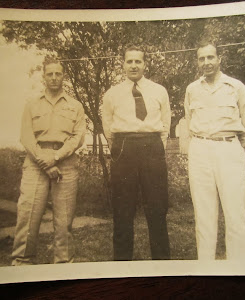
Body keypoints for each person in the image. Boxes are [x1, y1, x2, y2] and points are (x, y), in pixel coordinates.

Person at [184, 41, 245, 260]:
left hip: (228, 149)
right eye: (201, 58)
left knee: (235, 212)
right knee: (204, 214)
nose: (206, 62)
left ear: (219, 59)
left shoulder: (236, 87)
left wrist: (236, 149)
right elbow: (189, 121)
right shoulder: (192, 89)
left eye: (210, 57)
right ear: (197, 62)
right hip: (200, 149)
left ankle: (240, 269)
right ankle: (206, 267)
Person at [11, 57, 86, 265]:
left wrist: (55, 157)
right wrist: (45, 161)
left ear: (64, 76)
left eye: (58, 73)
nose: (54, 78)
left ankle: (63, 265)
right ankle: (21, 262)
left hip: (66, 164)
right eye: (50, 74)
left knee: (64, 221)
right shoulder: (32, 104)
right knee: (28, 216)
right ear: (44, 77)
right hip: (35, 163)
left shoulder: (76, 106)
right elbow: (26, 136)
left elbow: (78, 137)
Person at [102, 45, 171, 260]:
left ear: (145, 64)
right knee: (123, 211)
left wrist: (156, 146)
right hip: (124, 148)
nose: (134, 65)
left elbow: (166, 124)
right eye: (129, 61)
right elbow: (108, 127)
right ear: (123, 64)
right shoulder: (112, 94)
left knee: (157, 208)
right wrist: (121, 146)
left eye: (138, 61)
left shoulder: (159, 90)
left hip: (152, 147)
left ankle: (162, 266)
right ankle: (122, 266)